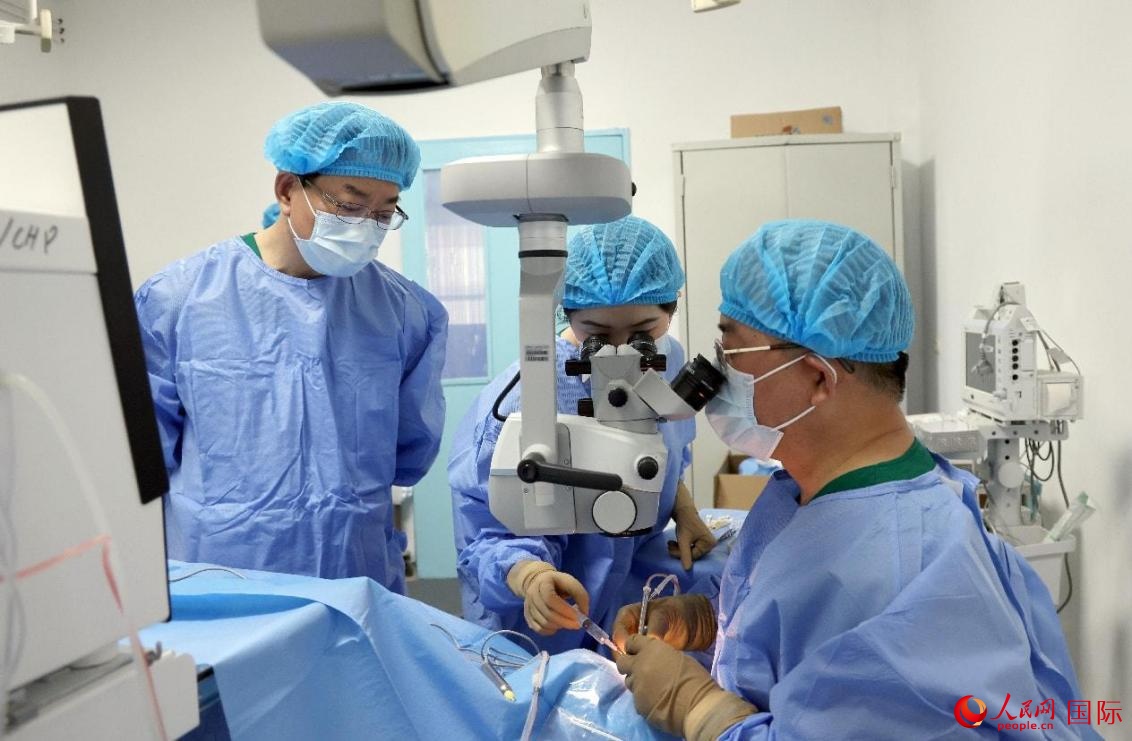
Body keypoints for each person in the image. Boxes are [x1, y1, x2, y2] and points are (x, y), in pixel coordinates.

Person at [612, 220, 1097, 740]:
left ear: (819, 378)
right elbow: (807, 639)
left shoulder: (899, 571)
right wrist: (707, 622)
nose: (715, 376)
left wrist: (698, 708)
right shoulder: (820, 491)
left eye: (731, 355)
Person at [134, 101, 448, 593]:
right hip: (220, 578)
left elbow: (410, 454)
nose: (366, 225)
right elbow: (143, 456)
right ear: (286, 190)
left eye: (384, 213)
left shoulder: (405, 312)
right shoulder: (179, 299)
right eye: (349, 205)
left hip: (353, 573)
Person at [449, 215, 716, 653]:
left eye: (643, 333)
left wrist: (682, 509)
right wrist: (529, 575)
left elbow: (668, 452)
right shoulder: (527, 400)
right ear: (567, 312)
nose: (621, 351)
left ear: (672, 307)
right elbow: (488, 533)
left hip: (631, 597)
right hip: (546, 623)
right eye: (598, 335)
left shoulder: (667, 359)